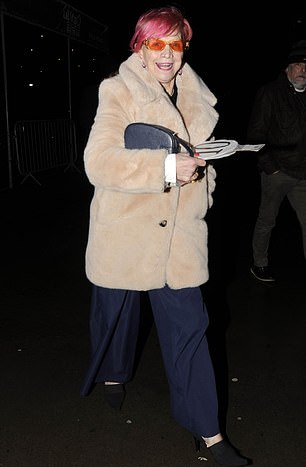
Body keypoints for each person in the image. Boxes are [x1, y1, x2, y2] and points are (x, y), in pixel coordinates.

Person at [80, 6, 251, 466]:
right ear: (140, 45)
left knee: (191, 331)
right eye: (157, 43)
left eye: (176, 44)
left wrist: (204, 183)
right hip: (125, 235)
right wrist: (164, 169)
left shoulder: (196, 96)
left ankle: (210, 434)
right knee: (116, 318)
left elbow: (195, 164)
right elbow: (98, 163)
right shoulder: (118, 91)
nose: (167, 54)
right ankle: (115, 372)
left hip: (179, 241)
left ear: (185, 48)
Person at [248, 40, 306, 282]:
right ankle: (259, 264)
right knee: (267, 220)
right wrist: (270, 168)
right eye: (297, 65)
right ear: (287, 69)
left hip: (303, 174)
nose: (302, 70)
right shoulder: (271, 92)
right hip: (278, 171)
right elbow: (255, 134)